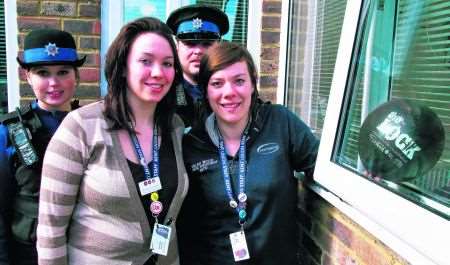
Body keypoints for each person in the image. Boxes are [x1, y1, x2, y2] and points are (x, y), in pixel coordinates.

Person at [36, 17, 188, 265]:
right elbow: (50, 230)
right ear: (124, 65)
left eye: (168, 63)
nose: (158, 72)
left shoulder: (175, 128)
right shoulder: (81, 127)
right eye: (145, 61)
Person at [178, 42, 319, 265]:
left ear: (253, 83)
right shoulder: (191, 144)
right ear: (206, 90)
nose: (229, 92)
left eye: (239, 81)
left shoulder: (280, 123)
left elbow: (320, 167)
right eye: (217, 83)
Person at [0, 28, 85, 265]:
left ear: (76, 76)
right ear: (27, 76)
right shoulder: (8, 132)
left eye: (63, 72)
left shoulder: (92, 126)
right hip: (28, 253)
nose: (53, 82)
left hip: (84, 250)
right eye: (42, 73)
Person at [166, 4, 229, 128]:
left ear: (219, 46)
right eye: (189, 44)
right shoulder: (163, 91)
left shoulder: (234, 89)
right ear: (177, 46)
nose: (198, 51)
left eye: (207, 44)